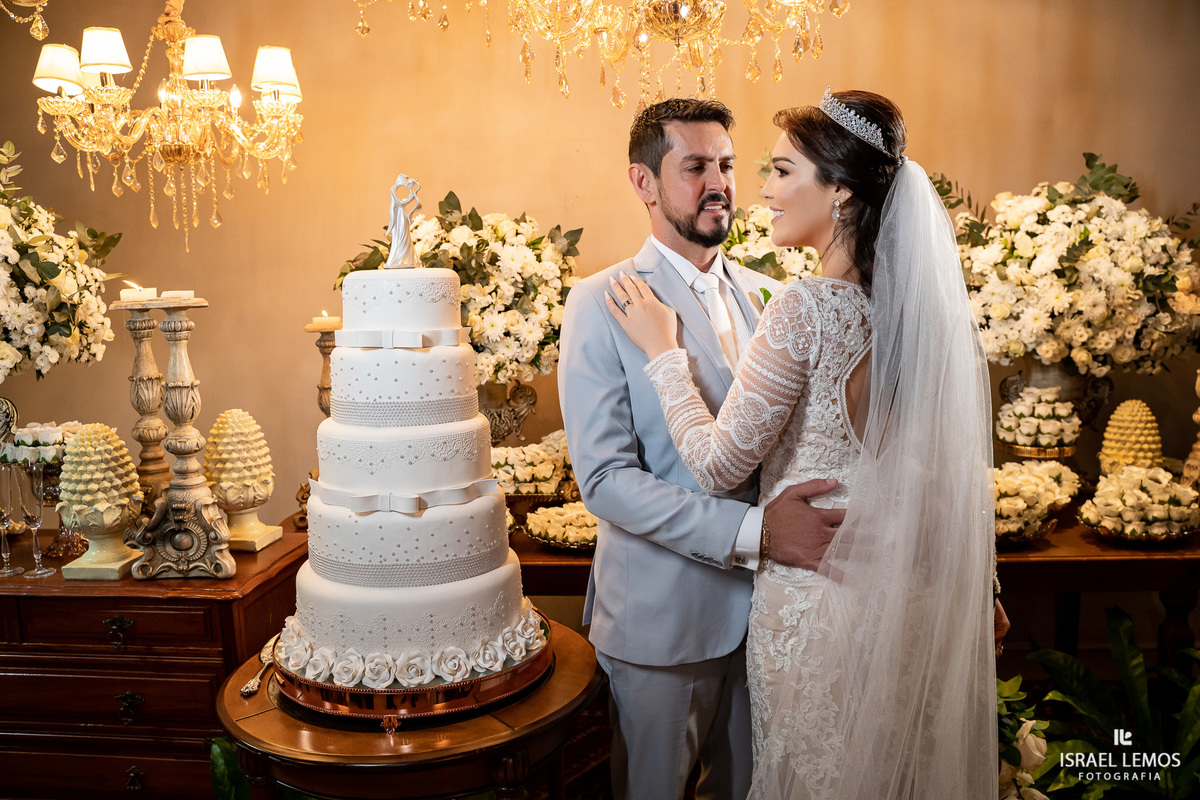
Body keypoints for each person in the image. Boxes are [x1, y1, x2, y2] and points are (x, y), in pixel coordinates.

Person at [607, 88, 1005, 799]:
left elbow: (717, 461)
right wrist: (982, 587)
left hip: (816, 603)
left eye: (784, 171)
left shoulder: (803, 305)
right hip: (897, 594)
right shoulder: (913, 318)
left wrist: (662, 352)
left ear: (842, 193)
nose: (759, 189)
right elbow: (942, 470)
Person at [558, 98, 846, 800]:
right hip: (663, 624)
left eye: (725, 165)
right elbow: (606, 479)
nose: (718, 182)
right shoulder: (600, 302)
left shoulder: (771, 293)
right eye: (694, 167)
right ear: (644, 183)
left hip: (774, 620)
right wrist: (756, 532)